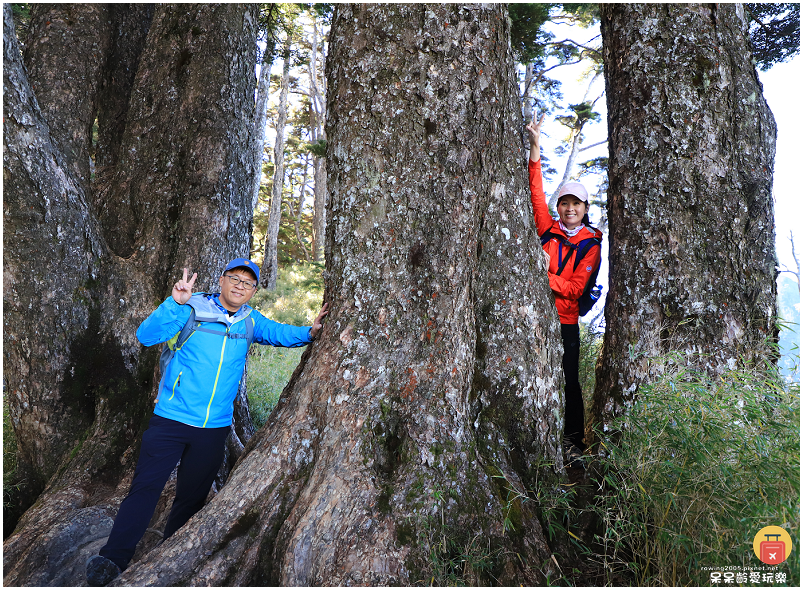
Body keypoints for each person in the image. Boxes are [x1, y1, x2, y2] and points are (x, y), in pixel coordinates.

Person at [86, 257, 329, 585]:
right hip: (171, 419)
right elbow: (146, 335)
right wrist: (175, 302)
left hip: (214, 429)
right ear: (222, 280)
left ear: (254, 290)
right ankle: (112, 559)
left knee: (191, 497)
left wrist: (310, 332)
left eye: (248, 283)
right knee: (145, 489)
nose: (240, 286)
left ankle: (169, 555)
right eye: (235, 279)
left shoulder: (250, 322)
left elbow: (281, 334)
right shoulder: (192, 308)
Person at [526, 112, 602, 466]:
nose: (569, 208)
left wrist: (544, 276)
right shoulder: (548, 227)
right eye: (565, 203)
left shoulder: (591, 245)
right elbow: (536, 193)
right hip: (536, 317)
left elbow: (574, 289)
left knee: (570, 381)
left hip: (566, 322)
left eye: (576, 204)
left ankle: (573, 444)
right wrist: (535, 148)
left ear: (585, 209)